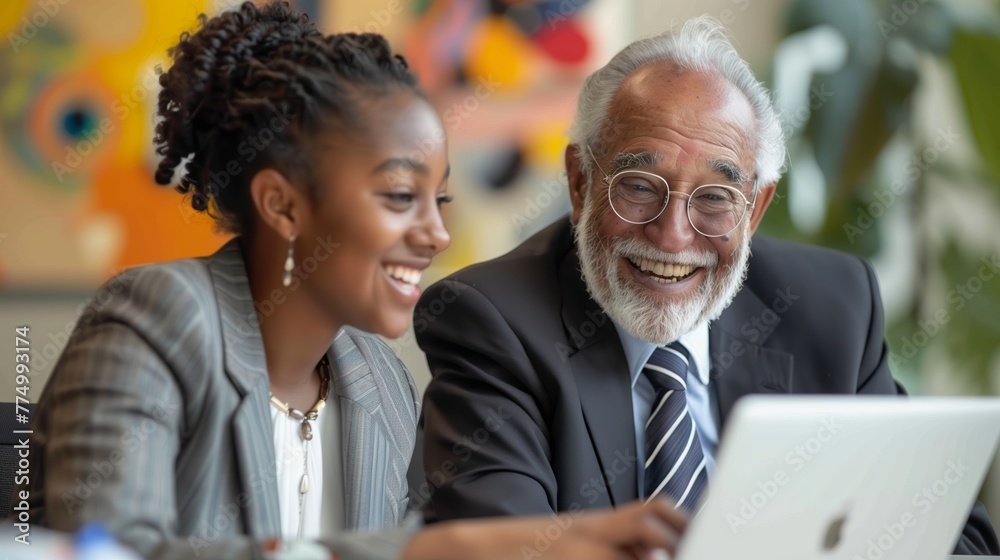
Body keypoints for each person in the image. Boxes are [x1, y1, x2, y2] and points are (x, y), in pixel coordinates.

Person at [14, 3, 690, 559]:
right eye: (400, 196)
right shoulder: (156, 318)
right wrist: (435, 552)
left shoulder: (380, 382)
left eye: (440, 201)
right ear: (282, 203)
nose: (436, 235)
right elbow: (109, 552)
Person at [415, 15, 999, 555]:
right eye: (640, 186)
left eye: (715, 198)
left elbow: (955, 536)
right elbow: (506, 546)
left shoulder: (833, 306)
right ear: (579, 179)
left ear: (756, 207)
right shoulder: (490, 321)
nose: (672, 237)